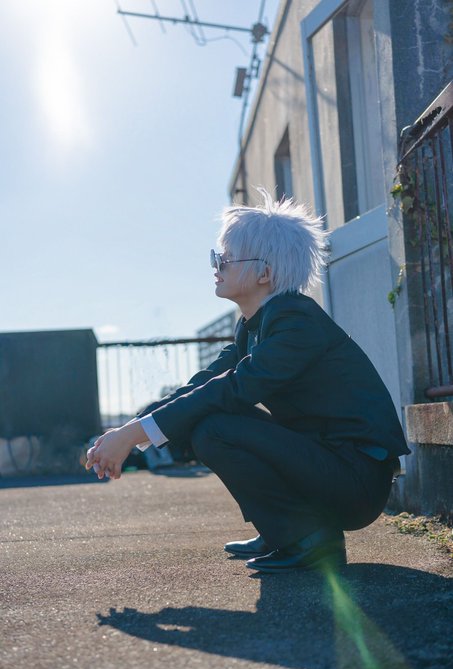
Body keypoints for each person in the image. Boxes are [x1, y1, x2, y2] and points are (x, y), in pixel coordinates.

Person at [86, 189, 410, 573]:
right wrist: (125, 432)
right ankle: (282, 529)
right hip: (325, 462)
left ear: (264, 273)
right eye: (216, 257)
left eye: (225, 258)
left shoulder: (296, 321)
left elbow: (234, 388)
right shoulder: (255, 326)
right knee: (204, 417)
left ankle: (307, 537)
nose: (216, 265)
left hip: (355, 479)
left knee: (215, 428)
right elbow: (203, 385)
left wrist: (132, 436)